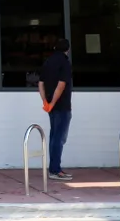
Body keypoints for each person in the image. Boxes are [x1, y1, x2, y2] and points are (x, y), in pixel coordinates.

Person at [38, 38, 73, 181]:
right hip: (62, 105)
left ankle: (53, 168)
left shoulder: (48, 62)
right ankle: (55, 170)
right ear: (67, 49)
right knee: (59, 138)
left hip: (51, 106)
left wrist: (46, 101)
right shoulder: (65, 63)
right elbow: (61, 85)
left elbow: (40, 84)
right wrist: (53, 102)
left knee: (54, 137)